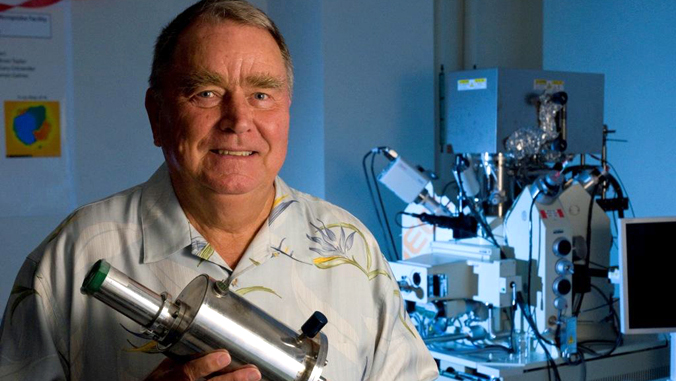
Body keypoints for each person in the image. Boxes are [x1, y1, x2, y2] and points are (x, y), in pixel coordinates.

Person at [0, 1, 439, 380]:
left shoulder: (353, 253)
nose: (238, 120)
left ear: (287, 110)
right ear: (157, 115)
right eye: (206, 93)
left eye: (262, 95)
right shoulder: (72, 257)